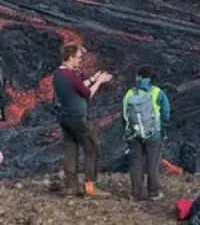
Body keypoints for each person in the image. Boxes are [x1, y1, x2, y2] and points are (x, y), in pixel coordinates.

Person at [52, 42, 113, 198]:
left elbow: (78, 87)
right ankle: (90, 188)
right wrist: (100, 81)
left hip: (64, 118)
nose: (80, 60)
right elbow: (86, 94)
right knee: (92, 148)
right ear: (71, 57)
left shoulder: (58, 73)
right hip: (77, 118)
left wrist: (92, 78)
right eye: (78, 58)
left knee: (70, 150)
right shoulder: (71, 75)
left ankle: (70, 187)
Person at [122, 66, 171, 201]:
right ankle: (153, 193)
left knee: (136, 163)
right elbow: (166, 112)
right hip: (153, 133)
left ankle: (135, 193)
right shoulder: (157, 92)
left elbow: (124, 115)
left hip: (134, 133)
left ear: (139, 77)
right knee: (152, 163)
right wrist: (163, 124)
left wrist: (127, 131)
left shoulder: (130, 93)